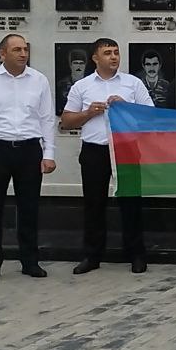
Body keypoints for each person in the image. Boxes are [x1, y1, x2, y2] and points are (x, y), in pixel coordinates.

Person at [0, 34, 57, 282]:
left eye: (25, 49)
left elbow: (47, 119)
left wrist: (49, 153)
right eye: (17, 49)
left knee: (29, 208)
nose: (23, 54)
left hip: (29, 149)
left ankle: (30, 261)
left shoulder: (39, 80)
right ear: (2, 53)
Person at [60, 38, 154, 275]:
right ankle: (92, 256)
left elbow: (150, 116)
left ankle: (136, 255)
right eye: (107, 53)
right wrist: (88, 113)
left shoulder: (132, 83)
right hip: (94, 150)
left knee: (131, 203)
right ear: (95, 58)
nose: (113, 57)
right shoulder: (82, 86)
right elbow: (66, 121)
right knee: (94, 205)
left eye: (116, 52)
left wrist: (126, 107)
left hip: (126, 149)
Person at [56, 49, 88, 121]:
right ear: (70, 65)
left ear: (85, 65)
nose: (78, 66)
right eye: (75, 63)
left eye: (81, 63)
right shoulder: (61, 84)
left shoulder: (91, 83)